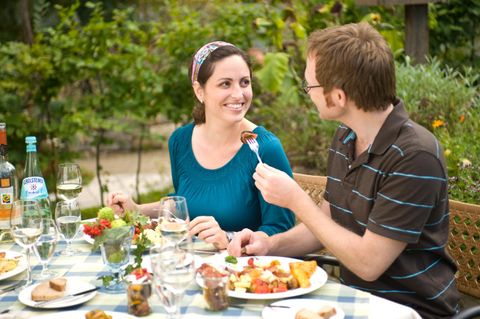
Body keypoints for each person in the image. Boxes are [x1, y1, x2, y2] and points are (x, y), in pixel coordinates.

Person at [228, 23, 459, 318]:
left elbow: (368, 264)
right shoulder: (346, 136)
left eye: (309, 86)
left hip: (411, 309)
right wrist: (271, 244)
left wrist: (296, 200)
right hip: (350, 299)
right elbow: (328, 219)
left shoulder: (415, 156)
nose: (307, 93)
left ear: (338, 97)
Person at [108, 41, 295, 249]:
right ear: (199, 91)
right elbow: (184, 203)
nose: (239, 94)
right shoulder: (180, 141)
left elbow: (282, 231)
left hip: (245, 274)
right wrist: (137, 210)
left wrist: (229, 238)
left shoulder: (264, 149)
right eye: (225, 84)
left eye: (244, 82)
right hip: (190, 269)